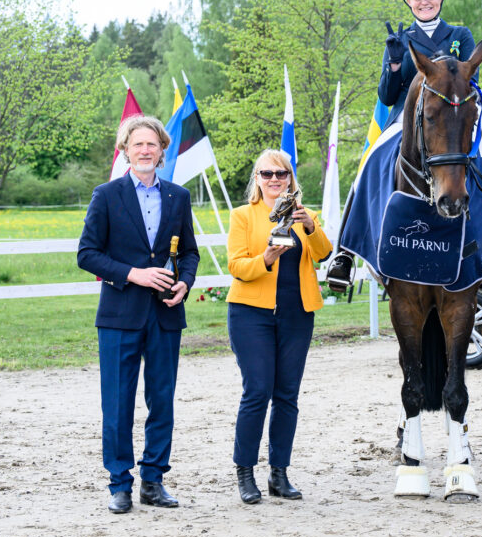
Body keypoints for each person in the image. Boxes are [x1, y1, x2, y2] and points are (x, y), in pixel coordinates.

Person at [325, 0, 482, 294]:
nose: (425, 2)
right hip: (407, 122)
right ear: (409, 1)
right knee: (365, 167)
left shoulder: (460, 35)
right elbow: (387, 95)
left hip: (452, 118)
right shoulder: (401, 39)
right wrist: (394, 66)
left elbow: (471, 81)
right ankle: (345, 256)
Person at [77, 115, 200, 514]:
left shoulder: (178, 197)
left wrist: (185, 283)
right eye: (137, 145)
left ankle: (153, 480)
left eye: (152, 144)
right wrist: (134, 274)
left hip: (165, 314)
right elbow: (87, 254)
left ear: (162, 150)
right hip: (119, 314)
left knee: (161, 400)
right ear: (125, 150)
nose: (145, 151)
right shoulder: (106, 195)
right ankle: (119, 484)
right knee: (118, 403)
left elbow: (190, 253)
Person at [225, 149, 333, 504]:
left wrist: (310, 226)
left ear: (290, 178)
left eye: (281, 174)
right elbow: (237, 266)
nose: (275, 180)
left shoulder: (306, 215)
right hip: (250, 314)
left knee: (287, 395)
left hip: (297, 314)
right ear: (257, 179)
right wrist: (266, 259)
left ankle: (279, 473)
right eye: (267, 174)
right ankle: (245, 473)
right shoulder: (243, 216)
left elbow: (323, 252)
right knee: (257, 391)